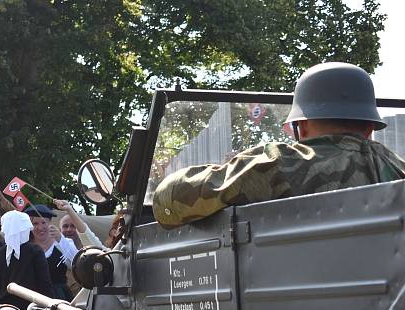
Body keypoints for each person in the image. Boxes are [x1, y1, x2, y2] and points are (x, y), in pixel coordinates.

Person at [152, 62, 405, 229]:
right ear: (371, 127)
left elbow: (168, 201)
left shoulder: (276, 165)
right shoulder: (399, 171)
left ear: (301, 127)